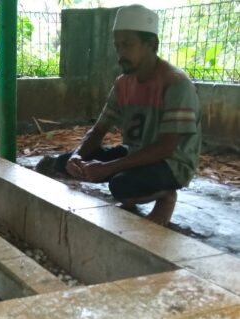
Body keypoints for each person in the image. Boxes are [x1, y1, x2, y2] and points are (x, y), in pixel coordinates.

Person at [36, 4, 202, 226]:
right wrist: (77, 156)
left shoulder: (175, 83)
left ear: (151, 44)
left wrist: (109, 167)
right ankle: (130, 187)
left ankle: (166, 195)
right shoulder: (123, 83)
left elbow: (166, 147)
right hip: (136, 153)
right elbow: (98, 130)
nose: (120, 53)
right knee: (66, 162)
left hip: (171, 163)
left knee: (120, 184)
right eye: (117, 46)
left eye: (127, 45)